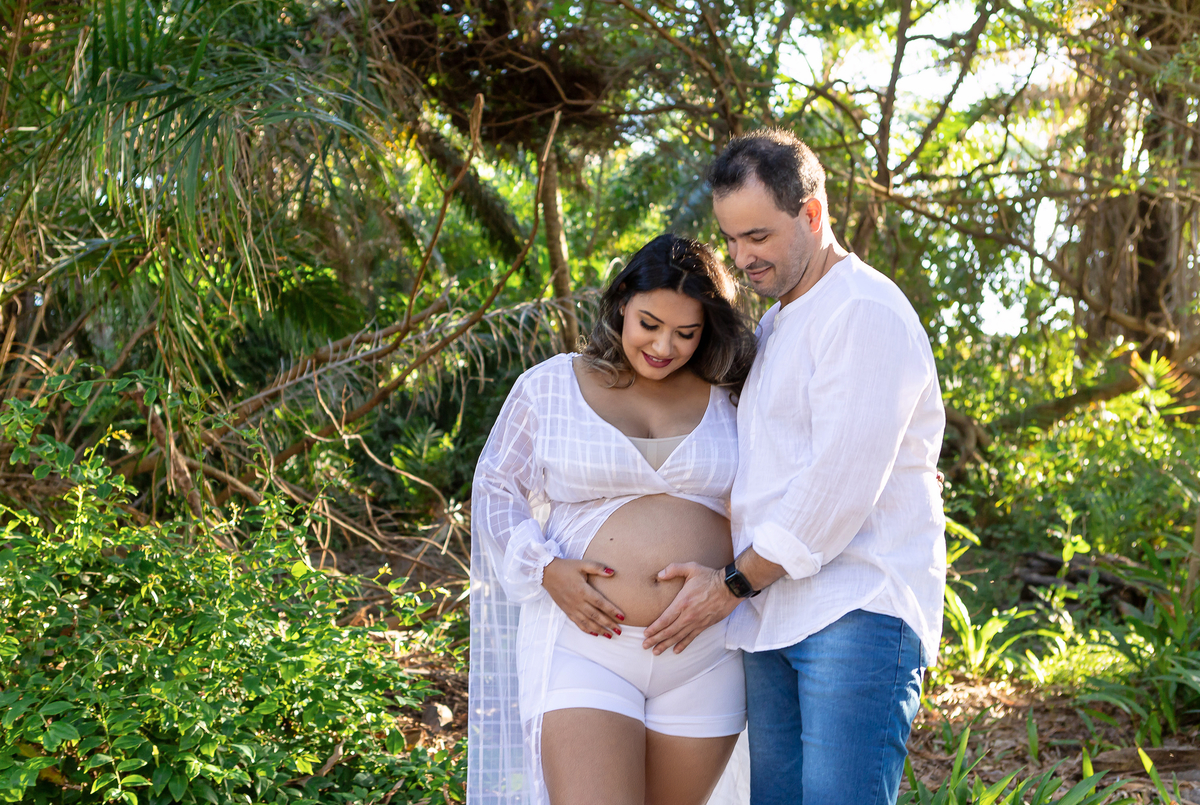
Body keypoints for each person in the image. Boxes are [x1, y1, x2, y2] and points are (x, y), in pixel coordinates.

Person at [641, 129, 947, 805]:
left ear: (811, 214)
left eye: (758, 236)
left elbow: (834, 488)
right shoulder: (781, 324)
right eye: (730, 239)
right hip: (772, 614)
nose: (741, 257)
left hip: (855, 612)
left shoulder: (864, 310)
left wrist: (730, 582)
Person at [468, 233, 758, 805]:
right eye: (650, 323)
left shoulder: (732, 398)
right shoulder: (551, 385)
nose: (663, 346)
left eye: (685, 333)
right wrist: (545, 568)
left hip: (705, 655)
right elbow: (496, 486)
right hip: (586, 645)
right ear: (623, 300)